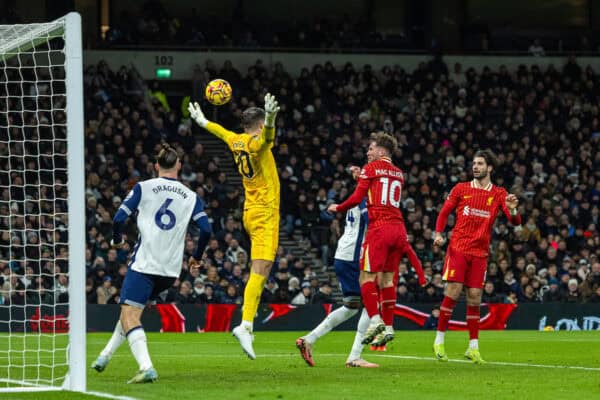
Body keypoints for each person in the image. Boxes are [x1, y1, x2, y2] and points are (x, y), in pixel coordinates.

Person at [90, 143, 212, 383]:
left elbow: (118, 218)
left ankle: (146, 367)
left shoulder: (143, 188)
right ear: (178, 165)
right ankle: (105, 355)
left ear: (156, 165)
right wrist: (196, 257)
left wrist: (117, 240)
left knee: (130, 314)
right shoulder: (191, 196)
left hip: (145, 265)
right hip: (170, 271)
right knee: (130, 311)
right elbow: (206, 230)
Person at [188, 94, 280, 360]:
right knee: (260, 269)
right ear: (260, 125)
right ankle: (246, 325)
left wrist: (204, 121)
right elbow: (267, 140)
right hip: (265, 213)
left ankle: (248, 324)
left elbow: (222, 132)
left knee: (262, 269)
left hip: (250, 211)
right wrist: (272, 119)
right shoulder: (255, 143)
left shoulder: (237, 140)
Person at [432, 150, 521, 364]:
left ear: (490, 168)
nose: (475, 167)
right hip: (459, 248)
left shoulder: (499, 193)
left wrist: (514, 210)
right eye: (474, 163)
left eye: (480, 164)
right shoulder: (461, 188)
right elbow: (444, 213)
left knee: (475, 297)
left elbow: (515, 222)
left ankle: (473, 347)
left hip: (480, 253)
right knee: (453, 291)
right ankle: (439, 340)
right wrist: (438, 233)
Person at [327, 132, 413, 346]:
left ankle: (375, 321)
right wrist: (360, 177)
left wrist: (338, 207)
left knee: (366, 277)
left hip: (379, 230)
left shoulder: (371, 168)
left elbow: (358, 198)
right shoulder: (399, 173)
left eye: (371, 148)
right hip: (398, 230)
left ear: (382, 151)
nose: (368, 152)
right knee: (386, 280)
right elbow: (380, 189)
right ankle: (390, 327)